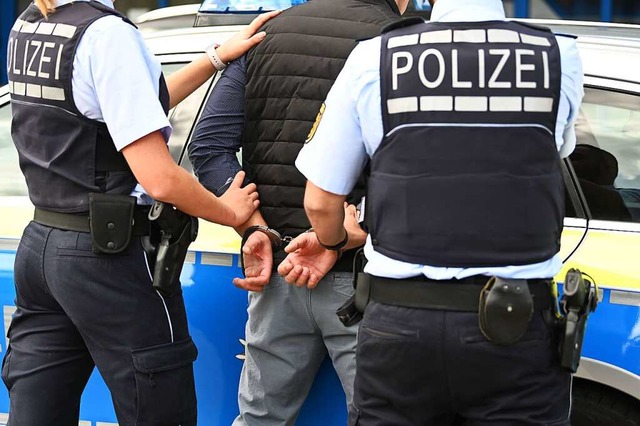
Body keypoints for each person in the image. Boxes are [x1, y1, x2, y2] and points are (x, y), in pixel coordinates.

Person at [294, 0, 585, 424]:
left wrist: (335, 241)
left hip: (398, 326)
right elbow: (549, 152)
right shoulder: (558, 55)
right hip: (514, 323)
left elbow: (320, 202)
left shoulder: (375, 55)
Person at [3, 0, 278, 424]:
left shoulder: (36, 22)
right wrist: (228, 211)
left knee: (38, 413)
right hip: (109, 259)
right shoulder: (108, 33)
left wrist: (215, 58)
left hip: (42, 247)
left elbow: (132, 107)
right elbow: (161, 179)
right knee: (160, 411)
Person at [187, 0, 406, 423]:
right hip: (368, 280)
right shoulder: (401, 44)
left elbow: (209, 147)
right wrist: (350, 226)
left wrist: (256, 229)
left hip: (276, 272)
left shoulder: (269, 31)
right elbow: (418, 169)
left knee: (259, 420)